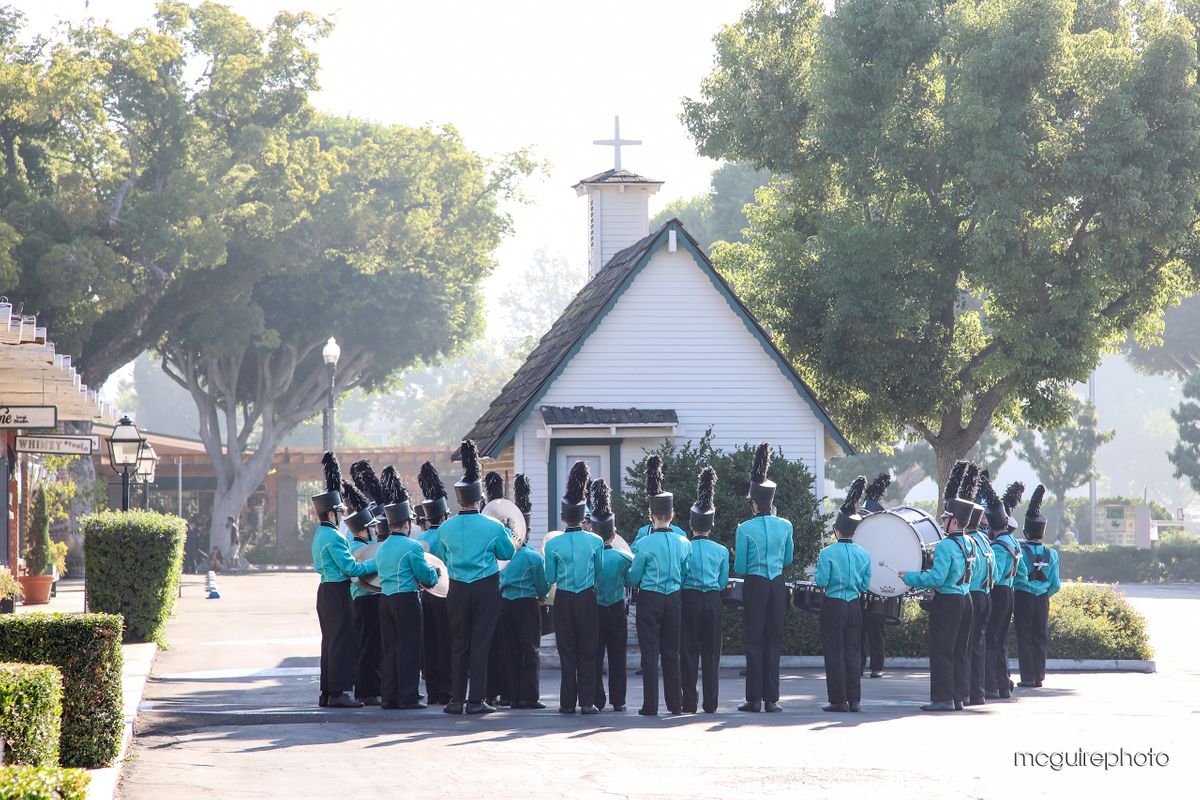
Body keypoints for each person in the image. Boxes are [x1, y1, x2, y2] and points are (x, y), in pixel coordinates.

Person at [434, 440, 516, 716]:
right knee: (481, 644)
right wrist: (506, 533)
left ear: (459, 499)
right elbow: (507, 553)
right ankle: (476, 700)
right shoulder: (493, 525)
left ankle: (456, 699)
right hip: (485, 587)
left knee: (459, 644)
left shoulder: (445, 528)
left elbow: (441, 557)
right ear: (479, 498)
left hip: (457, 588)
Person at [898, 460, 976, 712]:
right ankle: (958, 697)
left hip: (948, 601)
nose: (942, 521)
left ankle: (943, 698)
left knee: (942, 650)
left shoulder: (945, 546)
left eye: (945, 518)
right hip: (966, 600)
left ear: (954, 522)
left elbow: (936, 579)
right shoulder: (970, 544)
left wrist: (910, 577)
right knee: (960, 651)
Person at [310, 452, 376, 709]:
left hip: (325, 590)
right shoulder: (335, 537)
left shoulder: (320, 534)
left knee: (329, 641)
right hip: (337, 591)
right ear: (331, 514)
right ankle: (338, 692)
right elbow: (350, 568)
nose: (341, 515)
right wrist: (376, 563)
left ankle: (328, 692)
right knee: (340, 641)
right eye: (339, 511)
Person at [734, 442, 794, 713]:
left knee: (754, 639)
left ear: (754, 502)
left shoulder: (744, 528)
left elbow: (741, 566)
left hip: (755, 584)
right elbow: (788, 559)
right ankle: (772, 699)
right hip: (777, 584)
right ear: (772, 502)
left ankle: (754, 699)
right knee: (774, 639)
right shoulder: (786, 526)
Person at [630, 456, 691, 716]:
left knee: (649, 653)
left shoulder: (644, 543)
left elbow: (633, 578)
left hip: (650, 598)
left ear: (652, 516)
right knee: (671, 652)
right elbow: (685, 571)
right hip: (674, 598)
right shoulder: (684, 542)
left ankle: (650, 705)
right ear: (672, 515)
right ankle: (675, 705)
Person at [545, 461, 605, 715]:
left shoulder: (552, 544)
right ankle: (587, 702)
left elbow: (549, 577)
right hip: (587, 598)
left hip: (564, 598)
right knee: (588, 651)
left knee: (567, 651)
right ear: (583, 517)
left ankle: (567, 702)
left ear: (562, 517)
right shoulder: (596, 541)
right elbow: (599, 572)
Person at [375, 468, 439, 710]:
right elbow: (424, 575)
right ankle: (408, 697)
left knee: (390, 649)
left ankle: (389, 697)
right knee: (409, 648)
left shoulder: (381, 547)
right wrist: (436, 574)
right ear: (406, 523)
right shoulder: (413, 546)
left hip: (385, 600)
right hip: (406, 600)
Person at [814, 477, 871, 713]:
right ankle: (855, 699)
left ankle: (838, 700)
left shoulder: (827, 553)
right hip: (854, 605)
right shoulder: (864, 554)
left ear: (837, 530)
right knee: (853, 652)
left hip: (834, 604)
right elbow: (865, 584)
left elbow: (821, 581)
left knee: (834, 652)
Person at [499, 473, 551, 710]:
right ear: (526, 531)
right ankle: (529, 697)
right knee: (530, 650)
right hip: (528, 605)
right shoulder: (534, 557)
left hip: (506, 604)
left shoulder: (503, 555)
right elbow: (542, 586)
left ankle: (511, 696)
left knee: (510, 651)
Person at [680, 467, 728, 715]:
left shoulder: (684, 547)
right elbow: (722, 582)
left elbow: (680, 577)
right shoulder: (721, 550)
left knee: (688, 650)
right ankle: (711, 703)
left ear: (691, 524)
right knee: (711, 653)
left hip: (689, 598)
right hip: (712, 599)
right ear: (711, 524)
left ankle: (689, 702)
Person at [590, 478, 633, 712]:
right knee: (618, 657)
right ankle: (619, 700)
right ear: (614, 534)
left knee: (595, 657)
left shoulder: (590, 558)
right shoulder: (622, 558)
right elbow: (630, 581)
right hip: (616, 609)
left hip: (595, 609)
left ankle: (597, 699)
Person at [1013, 485, 1061, 689]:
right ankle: (1039, 676)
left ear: (1026, 531)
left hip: (1023, 597)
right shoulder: (1052, 554)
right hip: (1043, 599)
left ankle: (1027, 677)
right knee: (1040, 637)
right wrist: (1043, 593)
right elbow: (1056, 585)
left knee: (1024, 636)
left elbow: (1016, 576)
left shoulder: (1019, 550)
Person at [342, 477, 383, 706]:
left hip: (363, 600)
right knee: (369, 646)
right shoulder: (360, 548)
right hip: (366, 600)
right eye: (371, 528)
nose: (375, 530)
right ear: (363, 530)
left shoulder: (361, 544)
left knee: (367, 645)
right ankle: (367, 691)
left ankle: (369, 687)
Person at [415, 461, 452, 706]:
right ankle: (447, 691)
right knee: (446, 641)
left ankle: (433, 691)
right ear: (445, 515)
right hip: (446, 593)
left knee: (429, 642)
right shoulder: (448, 534)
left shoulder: (420, 538)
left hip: (425, 594)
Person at [985, 481, 1027, 700]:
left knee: (991, 640)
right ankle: (1002, 685)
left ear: (992, 527)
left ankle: (992, 686)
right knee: (1001, 641)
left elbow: (994, 575)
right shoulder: (1014, 542)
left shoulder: (998, 546)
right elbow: (1022, 573)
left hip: (998, 593)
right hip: (1009, 593)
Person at [965, 472, 1001, 706]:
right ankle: (979, 692)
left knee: (966, 646)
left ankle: (967, 691)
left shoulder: (969, 541)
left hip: (971, 594)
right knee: (979, 645)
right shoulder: (986, 541)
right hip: (987, 594)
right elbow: (994, 573)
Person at [859, 473, 891, 680]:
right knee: (858, 631)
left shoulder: (885, 540)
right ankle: (859, 666)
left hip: (877, 588)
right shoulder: (856, 536)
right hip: (861, 589)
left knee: (876, 631)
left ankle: (877, 667)